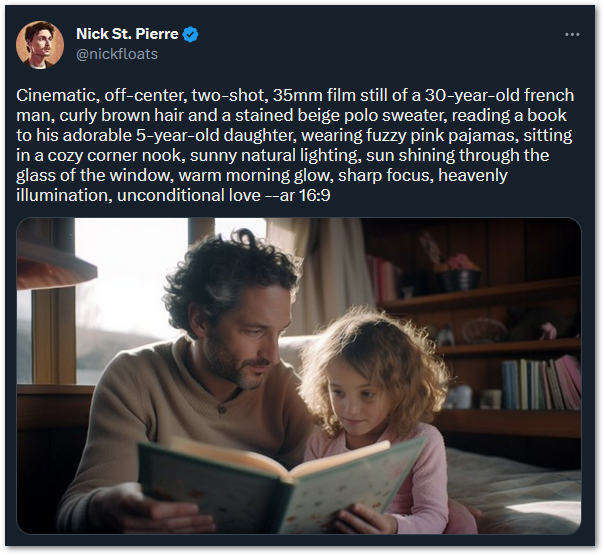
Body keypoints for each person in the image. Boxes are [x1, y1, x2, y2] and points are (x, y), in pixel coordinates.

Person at [56, 229, 314, 533]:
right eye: (254, 332)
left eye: (279, 332)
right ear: (200, 321)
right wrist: (101, 509)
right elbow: (70, 512)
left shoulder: (285, 385)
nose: (271, 355)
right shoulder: (134, 377)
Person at [298, 306, 478, 534]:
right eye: (338, 392)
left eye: (367, 394)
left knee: (461, 520)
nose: (350, 409)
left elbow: (433, 516)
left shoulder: (423, 440)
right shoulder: (321, 441)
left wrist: (393, 527)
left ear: (398, 390)